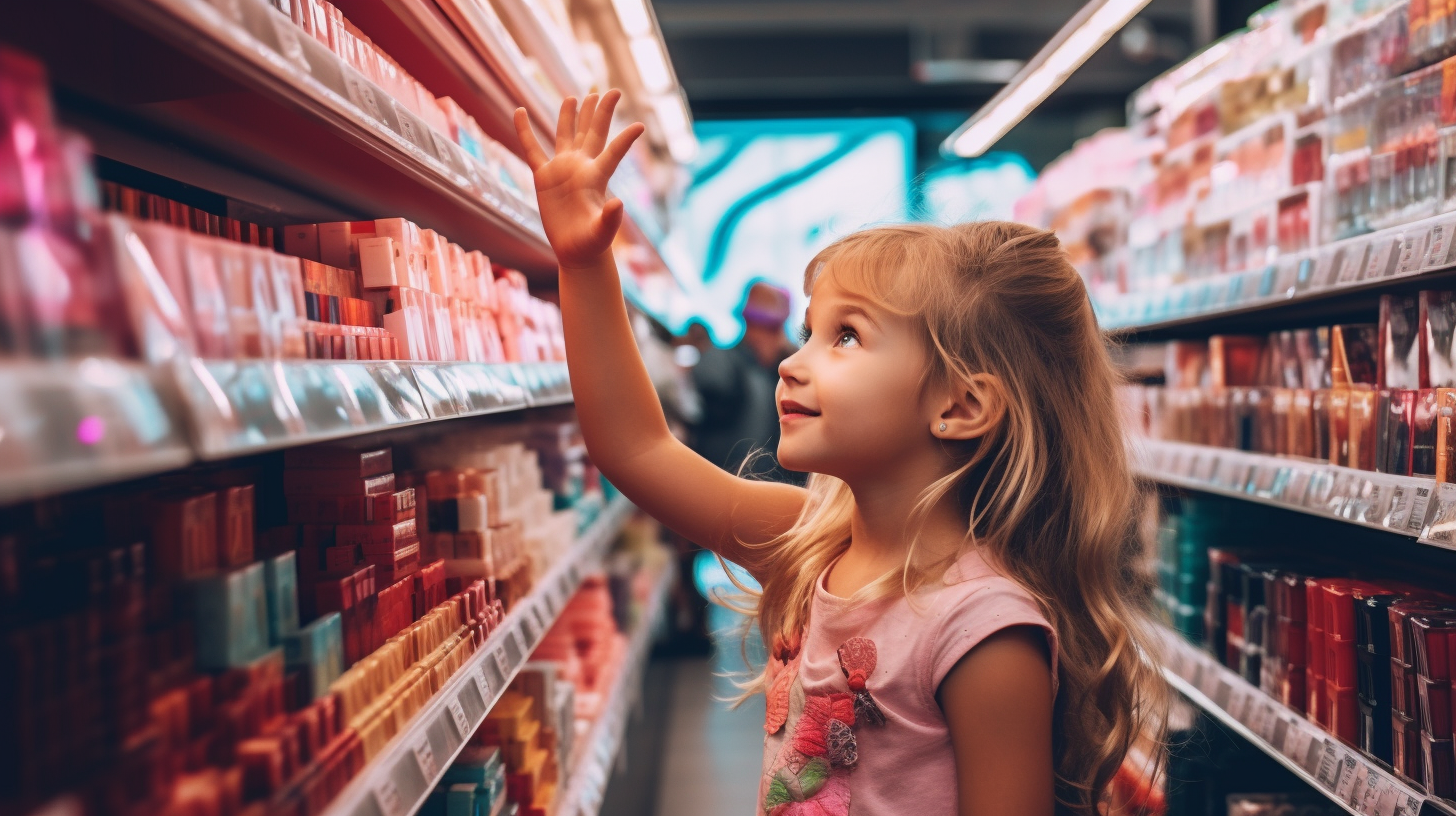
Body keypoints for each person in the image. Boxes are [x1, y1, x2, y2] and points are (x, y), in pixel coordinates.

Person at [514, 93, 1165, 816]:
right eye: (807, 333)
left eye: (845, 337)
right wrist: (583, 262)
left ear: (960, 406)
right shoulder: (814, 545)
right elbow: (635, 448)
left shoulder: (983, 630)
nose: (793, 364)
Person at [692, 283, 800, 480]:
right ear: (752, 326)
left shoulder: (768, 374)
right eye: (773, 329)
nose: (779, 339)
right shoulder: (724, 362)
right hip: (721, 484)